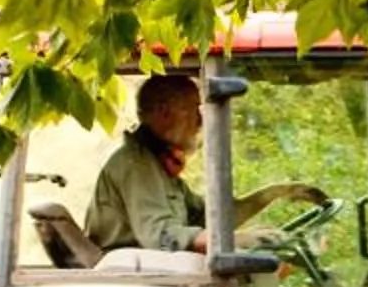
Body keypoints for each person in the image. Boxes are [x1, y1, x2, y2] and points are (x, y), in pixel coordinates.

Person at [83, 73, 327, 253]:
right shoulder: (136, 166)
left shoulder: (157, 164)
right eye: (193, 110)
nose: (201, 122)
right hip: (140, 276)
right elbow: (162, 238)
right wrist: (239, 239)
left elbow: (207, 218)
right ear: (164, 112)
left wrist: (276, 193)